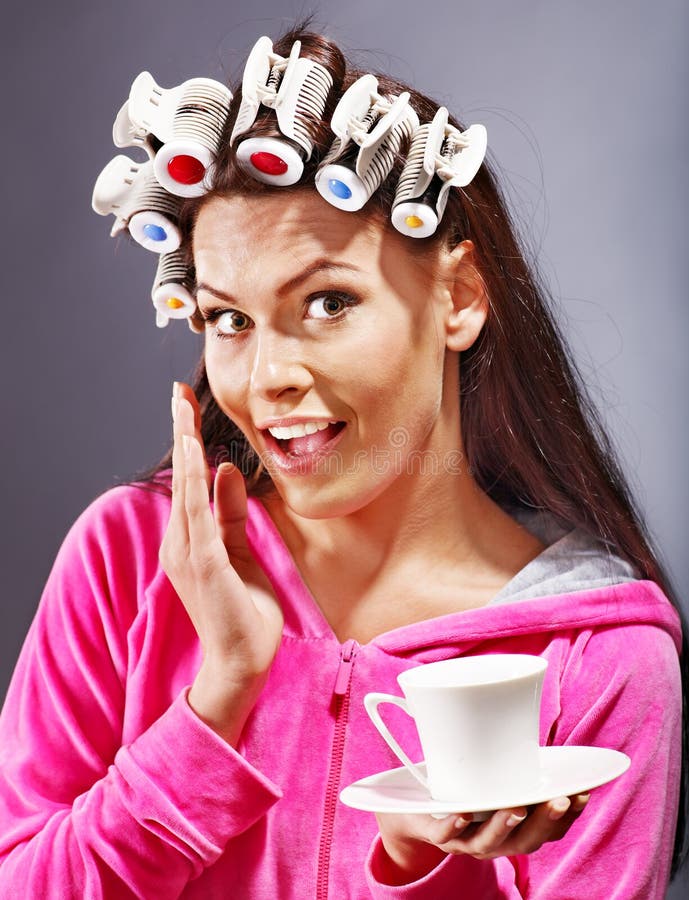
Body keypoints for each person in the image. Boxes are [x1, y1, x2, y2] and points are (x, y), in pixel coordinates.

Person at [0, 23, 686, 899]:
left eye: (327, 301)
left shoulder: (600, 660)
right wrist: (216, 704)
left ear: (458, 298)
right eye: (229, 320)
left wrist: (413, 866)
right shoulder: (128, 559)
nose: (269, 378)